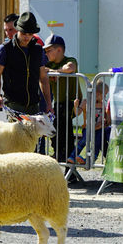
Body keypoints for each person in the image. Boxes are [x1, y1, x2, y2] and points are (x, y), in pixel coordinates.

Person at [0, 11, 54, 115]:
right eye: (24, 33)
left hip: (34, 105)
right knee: (16, 132)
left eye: (30, 34)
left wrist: (48, 104)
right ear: (18, 30)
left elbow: (43, 78)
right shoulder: (5, 49)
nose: (26, 37)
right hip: (14, 104)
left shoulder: (38, 50)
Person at [43, 34, 79, 162]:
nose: (46, 53)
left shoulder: (70, 60)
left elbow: (70, 68)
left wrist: (55, 71)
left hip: (71, 102)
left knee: (66, 133)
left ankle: (67, 157)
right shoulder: (48, 64)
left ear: (59, 50)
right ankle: (59, 153)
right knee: (54, 127)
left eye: (49, 50)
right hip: (58, 103)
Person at [67, 81, 111, 165]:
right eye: (104, 95)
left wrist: (105, 120)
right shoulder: (85, 102)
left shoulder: (102, 104)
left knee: (97, 144)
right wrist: (76, 106)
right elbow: (78, 113)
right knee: (83, 141)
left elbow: (105, 117)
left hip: (99, 129)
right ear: (97, 93)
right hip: (88, 128)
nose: (105, 97)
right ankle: (72, 156)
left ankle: (90, 160)